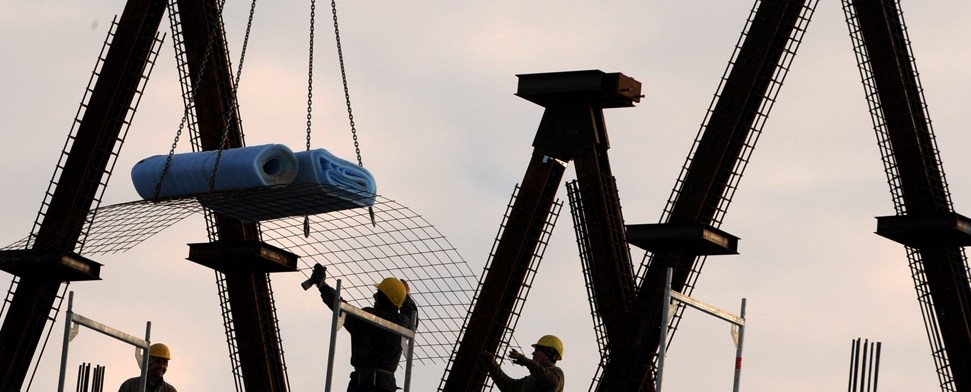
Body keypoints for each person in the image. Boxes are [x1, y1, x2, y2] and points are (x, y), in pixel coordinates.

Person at [306, 263, 418, 392]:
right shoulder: (404, 324)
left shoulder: (367, 318)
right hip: (387, 387)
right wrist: (405, 295)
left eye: (378, 293)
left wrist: (322, 284)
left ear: (383, 298)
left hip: (362, 386)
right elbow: (411, 314)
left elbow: (339, 305)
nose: (374, 296)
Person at [487, 335, 565, 392]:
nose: (533, 353)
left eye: (537, 350)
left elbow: (552, 383)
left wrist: (527, 362)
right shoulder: (531, 379)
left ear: (549, 354)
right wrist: (492, 364)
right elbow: (509, 386)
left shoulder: (557, 373)